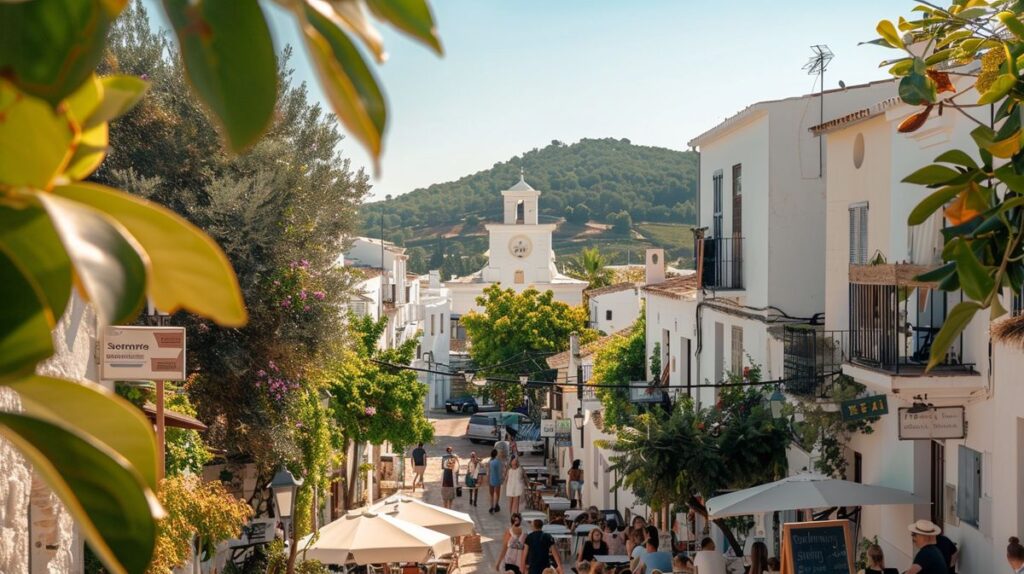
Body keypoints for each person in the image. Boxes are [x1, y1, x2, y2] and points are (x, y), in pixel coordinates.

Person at [489, 449, 504, 514]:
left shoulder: (490, 461)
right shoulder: (498, 462)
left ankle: (491, 506)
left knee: (491, 494)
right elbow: (500, 472)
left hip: (491, 479)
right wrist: (502, 479)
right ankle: (495, 506)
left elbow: (488, 471)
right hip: (497, 479)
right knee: (497, 494)